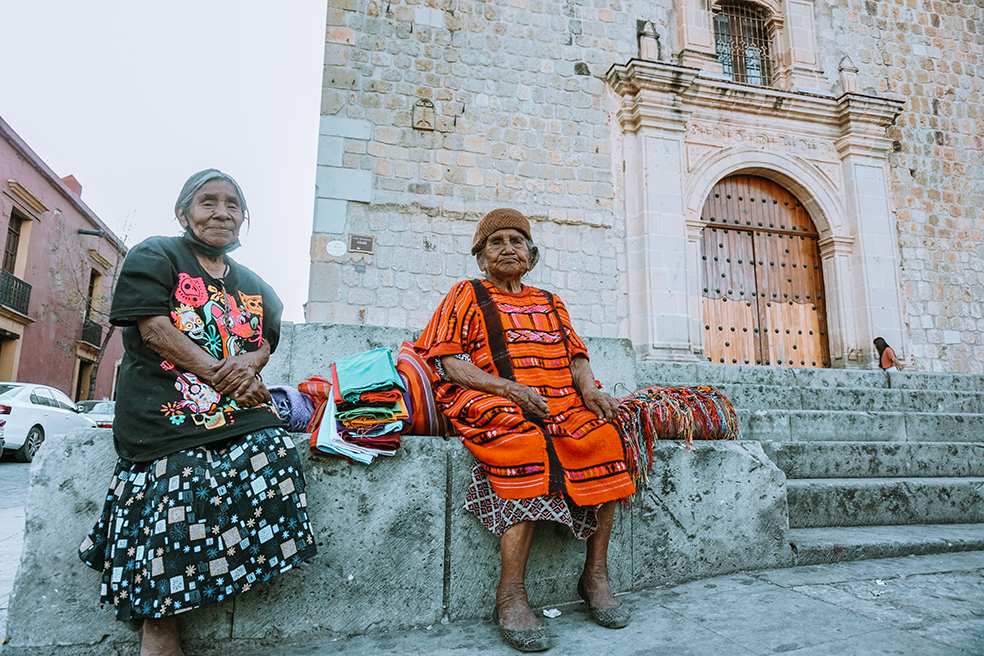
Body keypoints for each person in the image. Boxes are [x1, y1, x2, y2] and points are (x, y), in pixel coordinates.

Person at [79, 169, 316, 656]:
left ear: (243, 219)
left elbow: (265, 342)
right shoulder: (158, 255)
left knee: (274, 453)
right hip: (165, 408)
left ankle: (214, 578)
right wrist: (219, 373)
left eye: (233, 205)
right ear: (183, 212)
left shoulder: (257, 286)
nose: (221, 212)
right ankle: (160, 624)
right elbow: (155, 330)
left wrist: (248, 364)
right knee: (181, 478)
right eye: (208, 202)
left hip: (235, 410)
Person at [415, 208, 636, 652]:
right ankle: (511, 591)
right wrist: (509, 389)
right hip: (493, 396)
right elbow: (449, 362)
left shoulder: (552, 301)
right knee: (525, 442)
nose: (508, 248)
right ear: (480, 258)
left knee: (605, 437)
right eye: (496, 242)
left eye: (517, 241)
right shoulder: (466, 294)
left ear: (531, 256)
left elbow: (576, 357)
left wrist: (590, 390)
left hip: (559, 400)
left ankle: (595, 576)